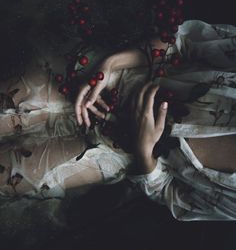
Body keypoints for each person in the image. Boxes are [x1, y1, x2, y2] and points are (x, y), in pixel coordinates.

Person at [0, 19, 236, 221]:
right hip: (117, 78)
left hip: (117, 154)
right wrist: (109, 66)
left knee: (9, 178)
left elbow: (171, 194)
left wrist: (144, 153)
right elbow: (181, 41)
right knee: (10, 104)